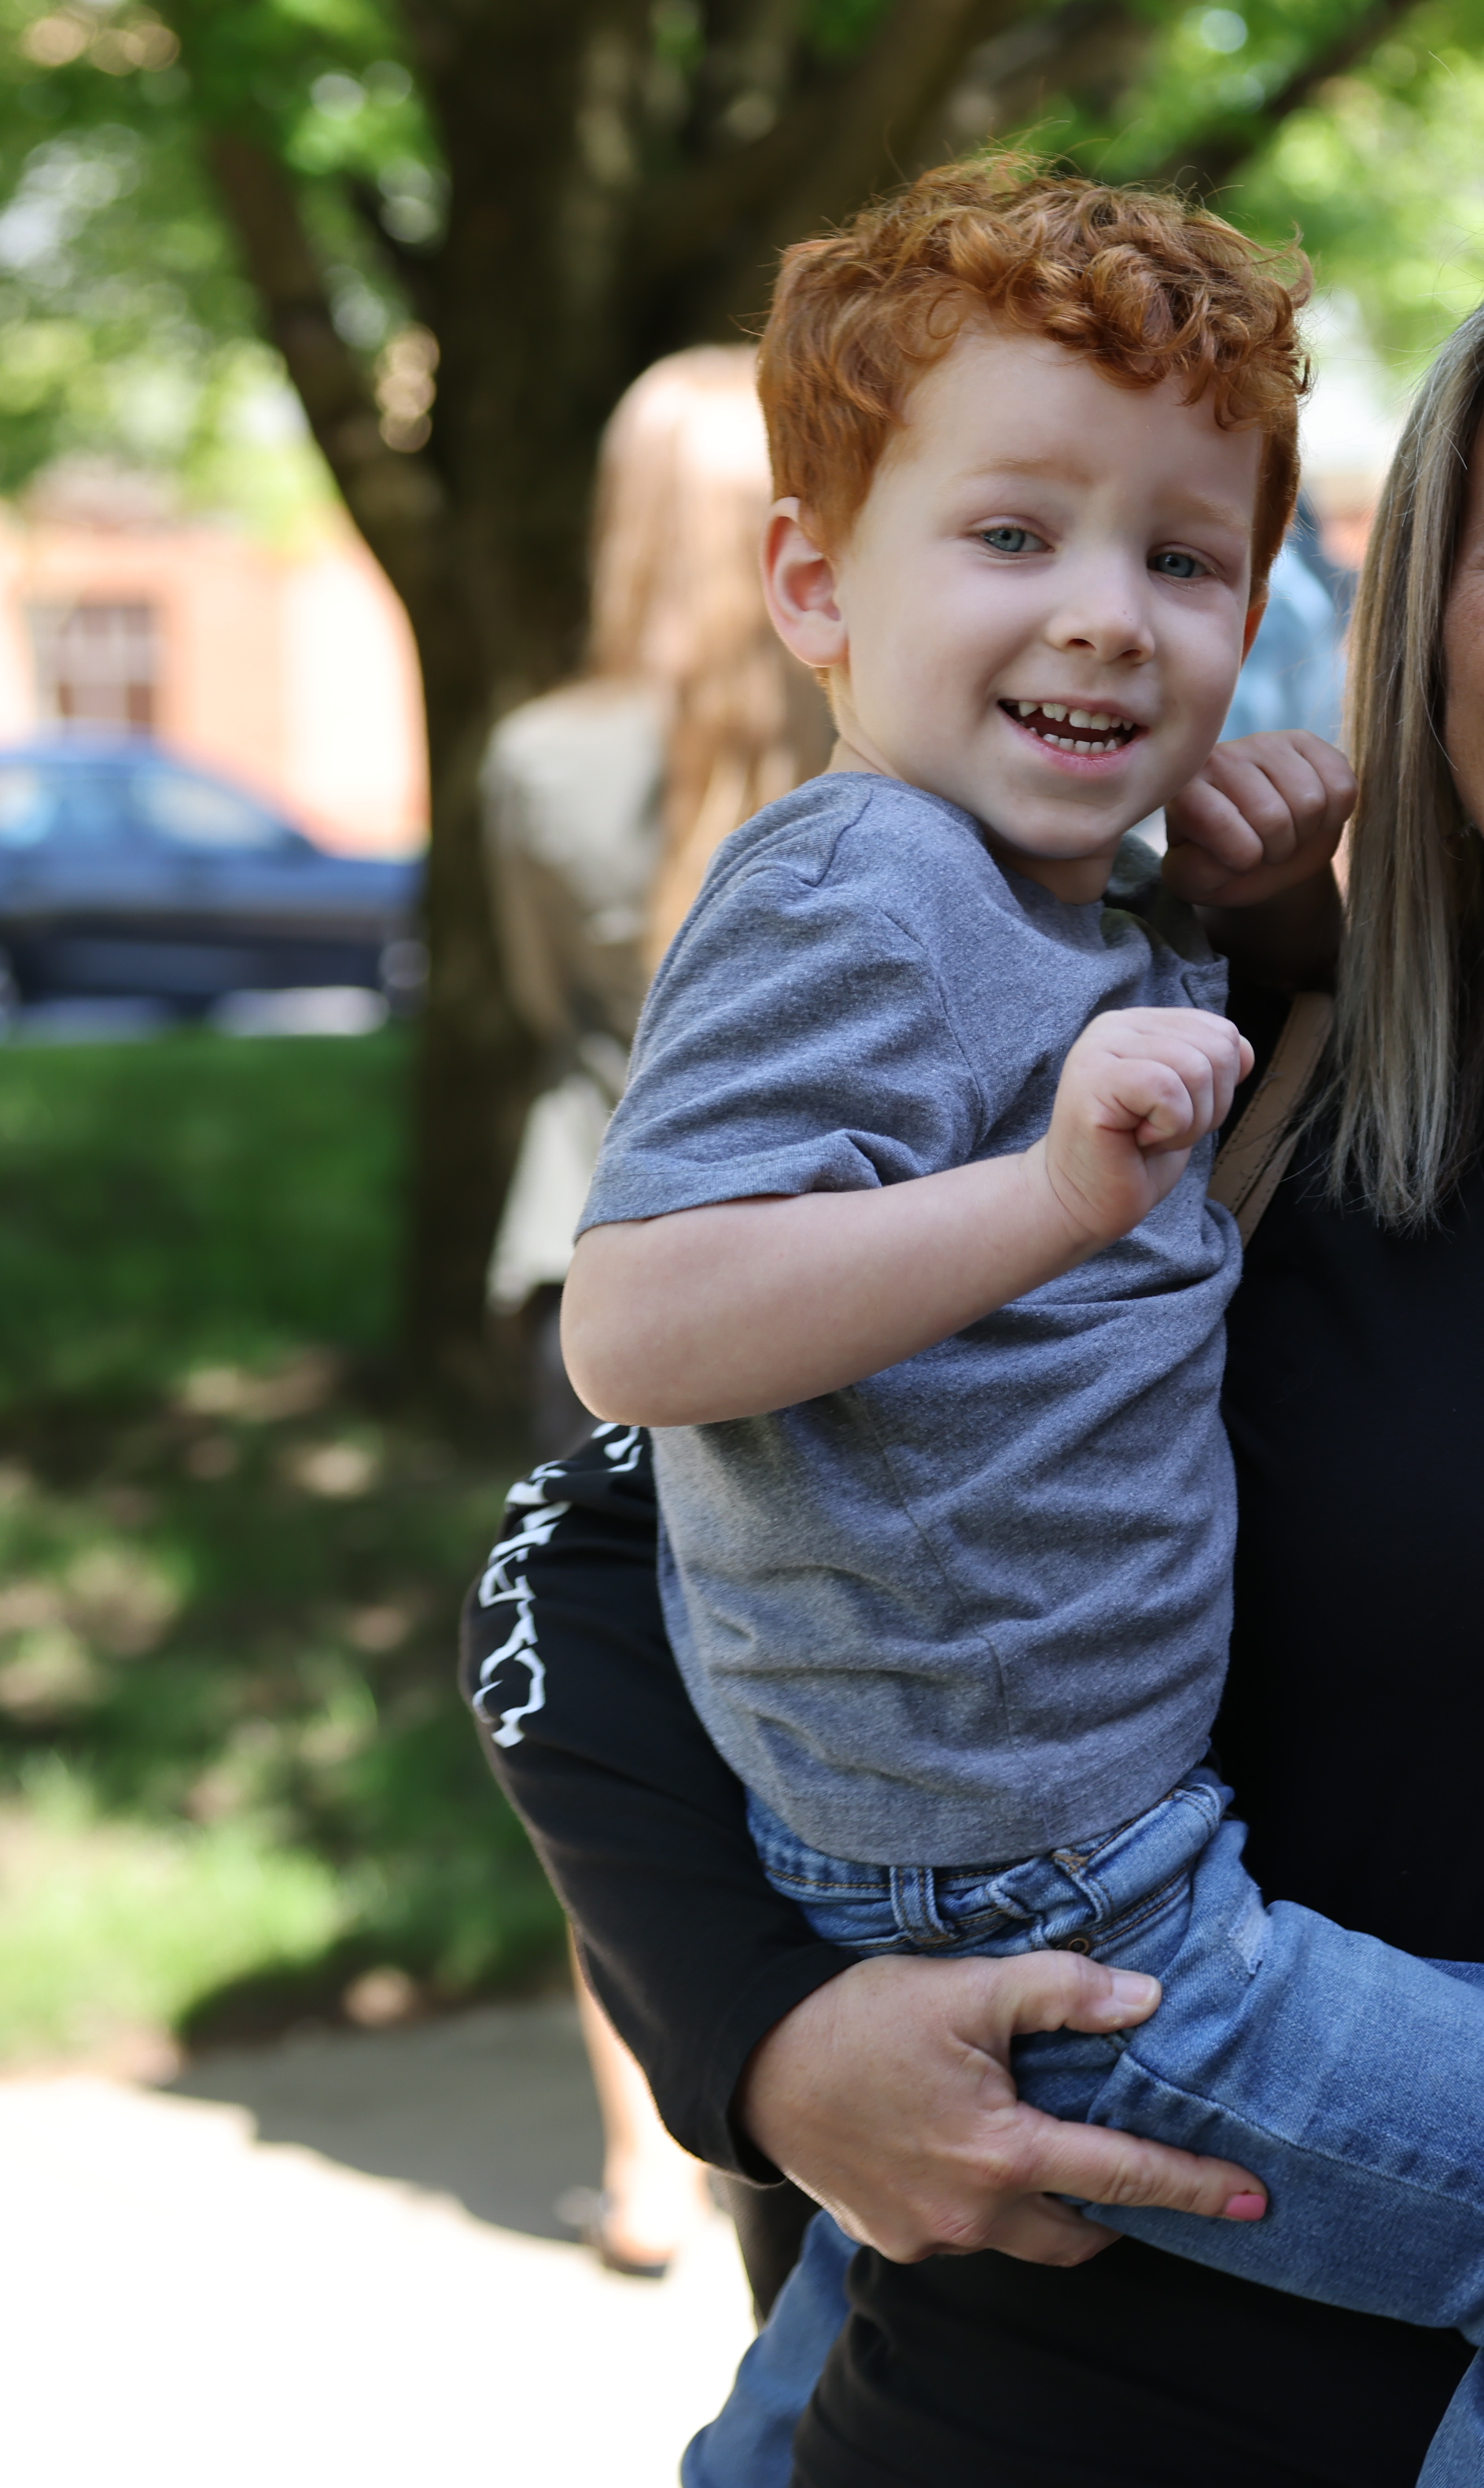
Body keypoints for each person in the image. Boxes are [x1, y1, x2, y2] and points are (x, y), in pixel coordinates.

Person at [470, 224, 1484, 2487]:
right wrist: (773, 2038)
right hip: (1049, 2417)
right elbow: (571, 1561)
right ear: (1420, 635)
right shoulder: (1213, 1104)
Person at [478, 345, 832, 2287]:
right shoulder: (883, 747)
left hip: (598, 1260)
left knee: (613, 1714)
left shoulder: (545, 764)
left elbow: (558, 1022)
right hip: (826, 1269)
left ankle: (641, 2151)